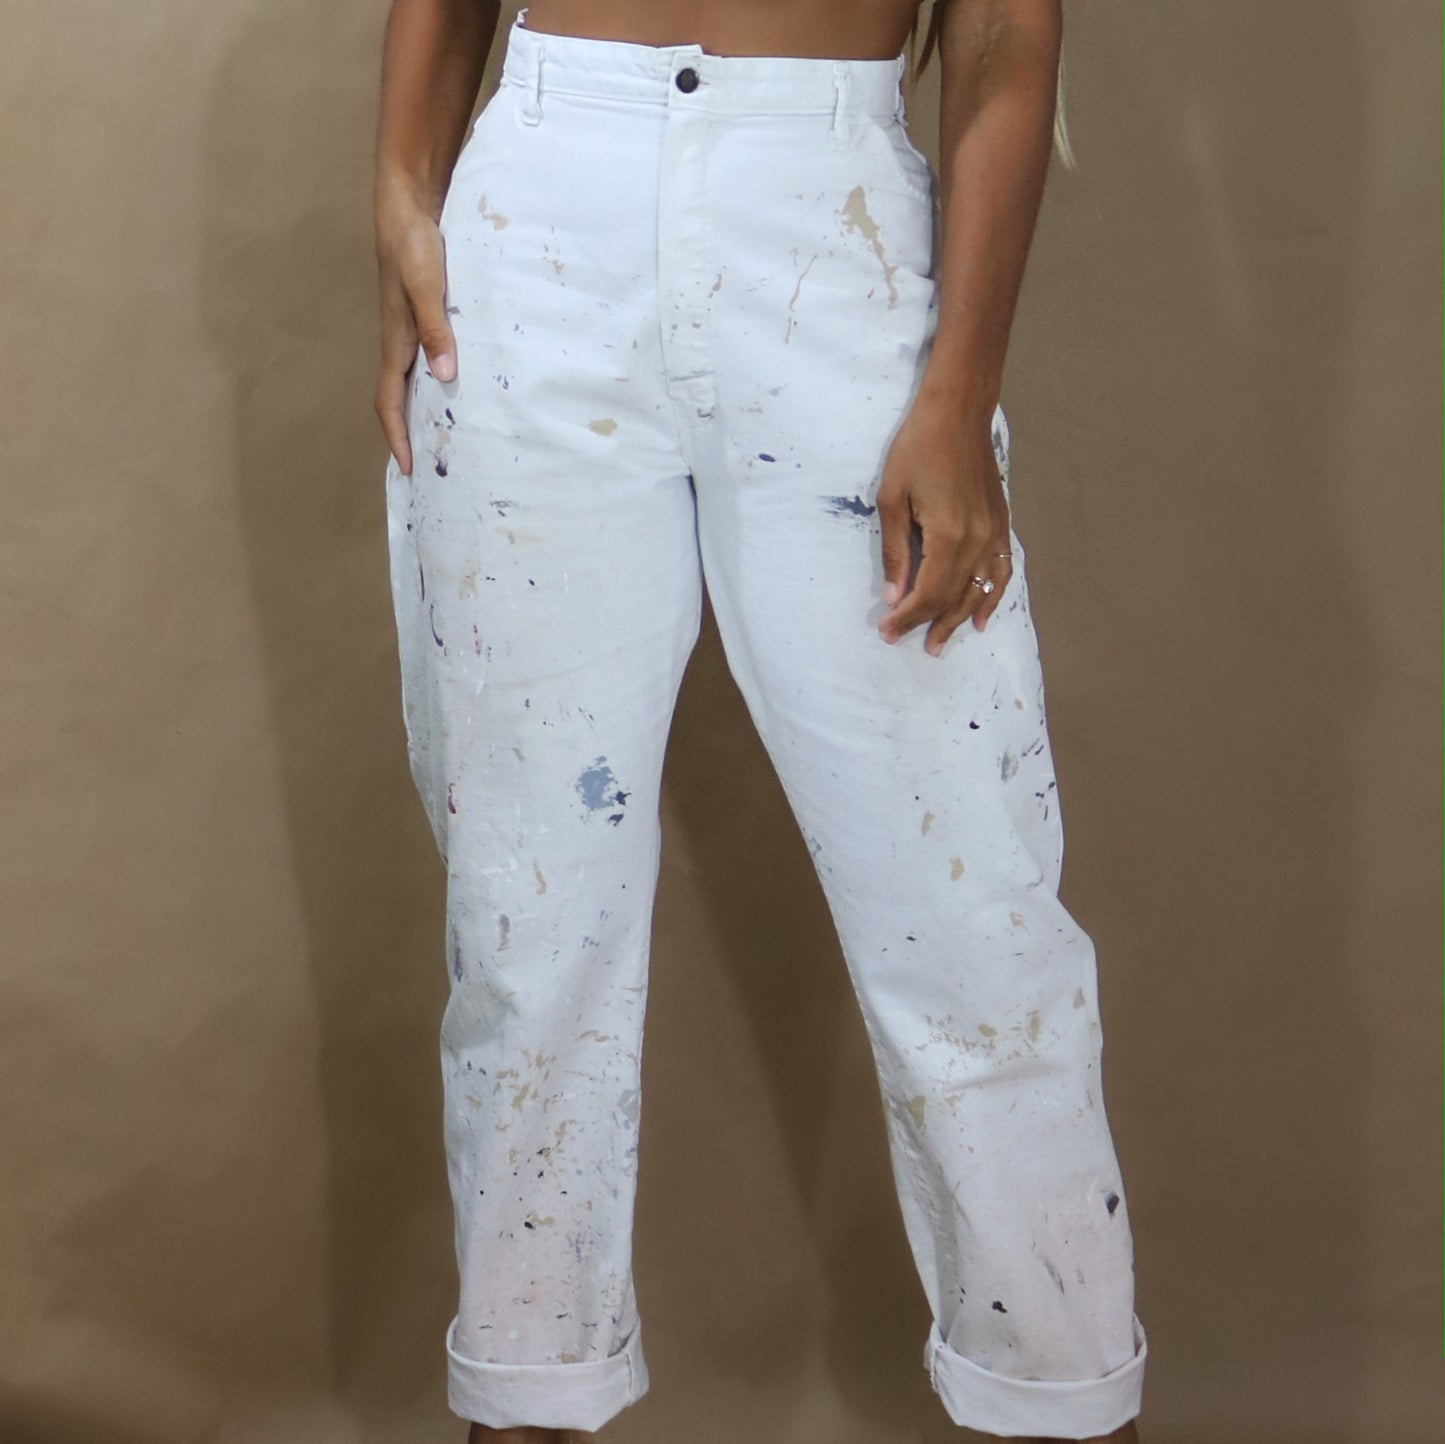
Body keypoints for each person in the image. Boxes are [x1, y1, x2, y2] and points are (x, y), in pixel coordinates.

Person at [372, 1, 1149, 1440]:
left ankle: (1057, 1393)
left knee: (972, 926)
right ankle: (524, 1401)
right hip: (536, 230)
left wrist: (960, 389)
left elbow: (997, 30)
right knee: (528, 930)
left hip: (831, 236)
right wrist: (404, 202)